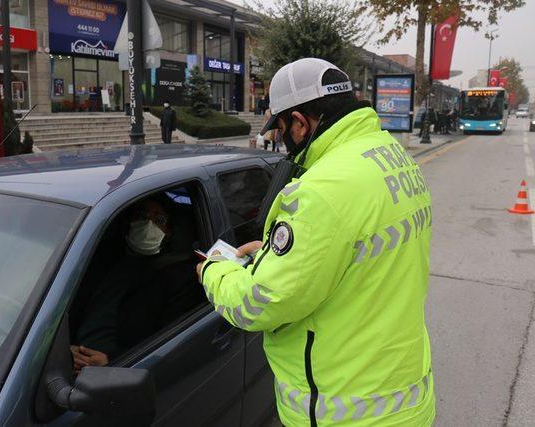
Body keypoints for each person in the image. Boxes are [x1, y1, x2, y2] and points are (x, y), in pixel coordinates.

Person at [196, 58, 434, 426]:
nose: (282, 140)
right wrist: (282, 254)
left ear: (300, 123)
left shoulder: (319, 191)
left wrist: (213, 270)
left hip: (346, 411)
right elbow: (359, 248)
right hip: (405, 397)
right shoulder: (391, 155)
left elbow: (260, 303)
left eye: (281, 128)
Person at [71, 197, 201, 371]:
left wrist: (112, 361)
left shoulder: (178, 277)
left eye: (159, 220)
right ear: (129, 222)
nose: (148, 224)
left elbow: (166, 342)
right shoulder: (96, 257)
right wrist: (63, 350)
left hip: (119, 371)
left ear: (168, 233)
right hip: (71, 364)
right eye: (141, 216)